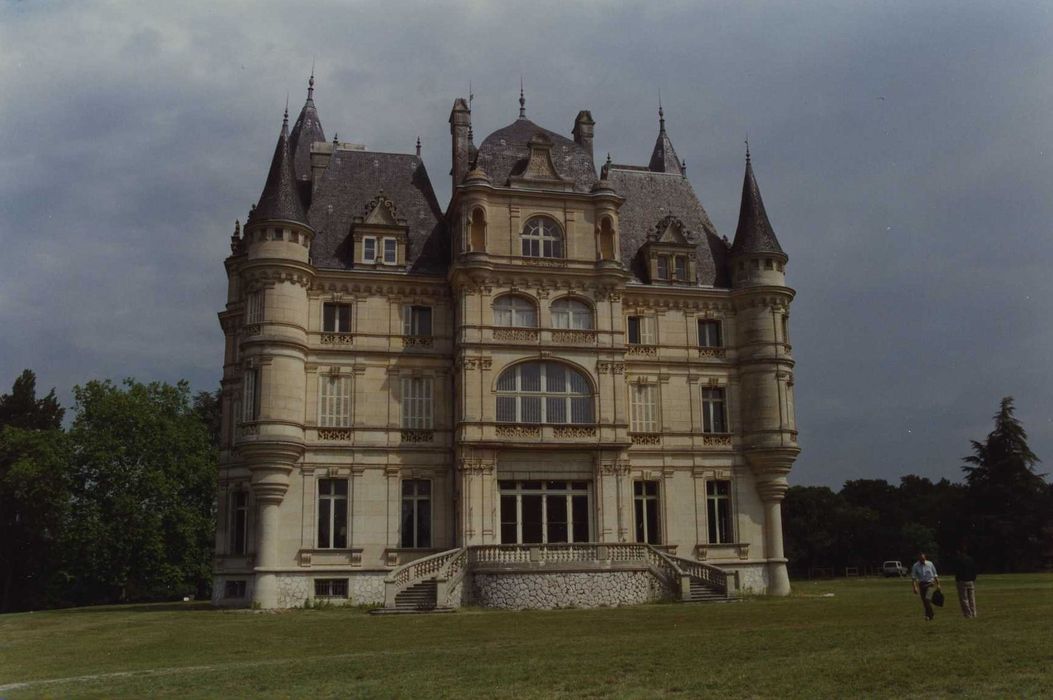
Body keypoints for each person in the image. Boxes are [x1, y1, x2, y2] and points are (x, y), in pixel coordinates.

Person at [910, 552, 940, 621]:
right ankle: (928, 615)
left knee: (927, 600)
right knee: (924, 601)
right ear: (919, 559)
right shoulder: (915, 566)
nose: (922, 560)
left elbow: (935, 575)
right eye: (921, 559)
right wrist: (915, 587)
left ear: (925, 558)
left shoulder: (930, 564)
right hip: (922, 585)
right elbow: (913, 578)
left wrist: (938, 584)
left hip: (930, 584)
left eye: (923, 559)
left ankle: (930, 615)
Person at [952, 547, 978, 618]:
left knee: (964, 599)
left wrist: (957, 580)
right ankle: (974, 613)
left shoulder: (959, 560)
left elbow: (957, 571)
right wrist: (973, 578)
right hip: (971, 581)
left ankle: (968, 614)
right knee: (972, 598)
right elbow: (974, 570)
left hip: (962, 581)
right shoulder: (971, 559)